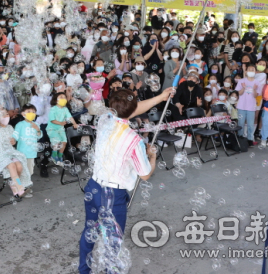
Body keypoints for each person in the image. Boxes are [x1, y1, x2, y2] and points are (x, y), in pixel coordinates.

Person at [78, 88, 173, 274]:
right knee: (112, 243)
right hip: (112, 196)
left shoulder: (106, 118)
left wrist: (160, 97)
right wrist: (152, 156)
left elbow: (129, 111)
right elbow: (145, 174)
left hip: (93, 186)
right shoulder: (134, 140)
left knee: (89, 231)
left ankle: (84, 270)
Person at [0, 108, 32, 198]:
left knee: (19, 166)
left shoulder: (10, 128)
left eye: (7, 114)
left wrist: (14, 141)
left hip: (10, 152)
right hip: (0, 154)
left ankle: (13, 184)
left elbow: (13, 140)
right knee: (12, 165)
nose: (6, 116)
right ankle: (20, 188)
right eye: (3, 115)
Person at [46, 92, 78, 166]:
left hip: (61, 129)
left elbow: (70, 117)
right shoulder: (53, 109)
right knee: (57, 142)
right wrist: (60, 123)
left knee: (64, 142)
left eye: (64, 97)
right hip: (52, 129)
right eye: (61, 97)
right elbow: (52, 120)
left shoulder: (65, 109)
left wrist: (74, 123)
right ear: (56, 100)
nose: (63, 99)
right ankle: (54, 155)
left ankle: (60, 156)